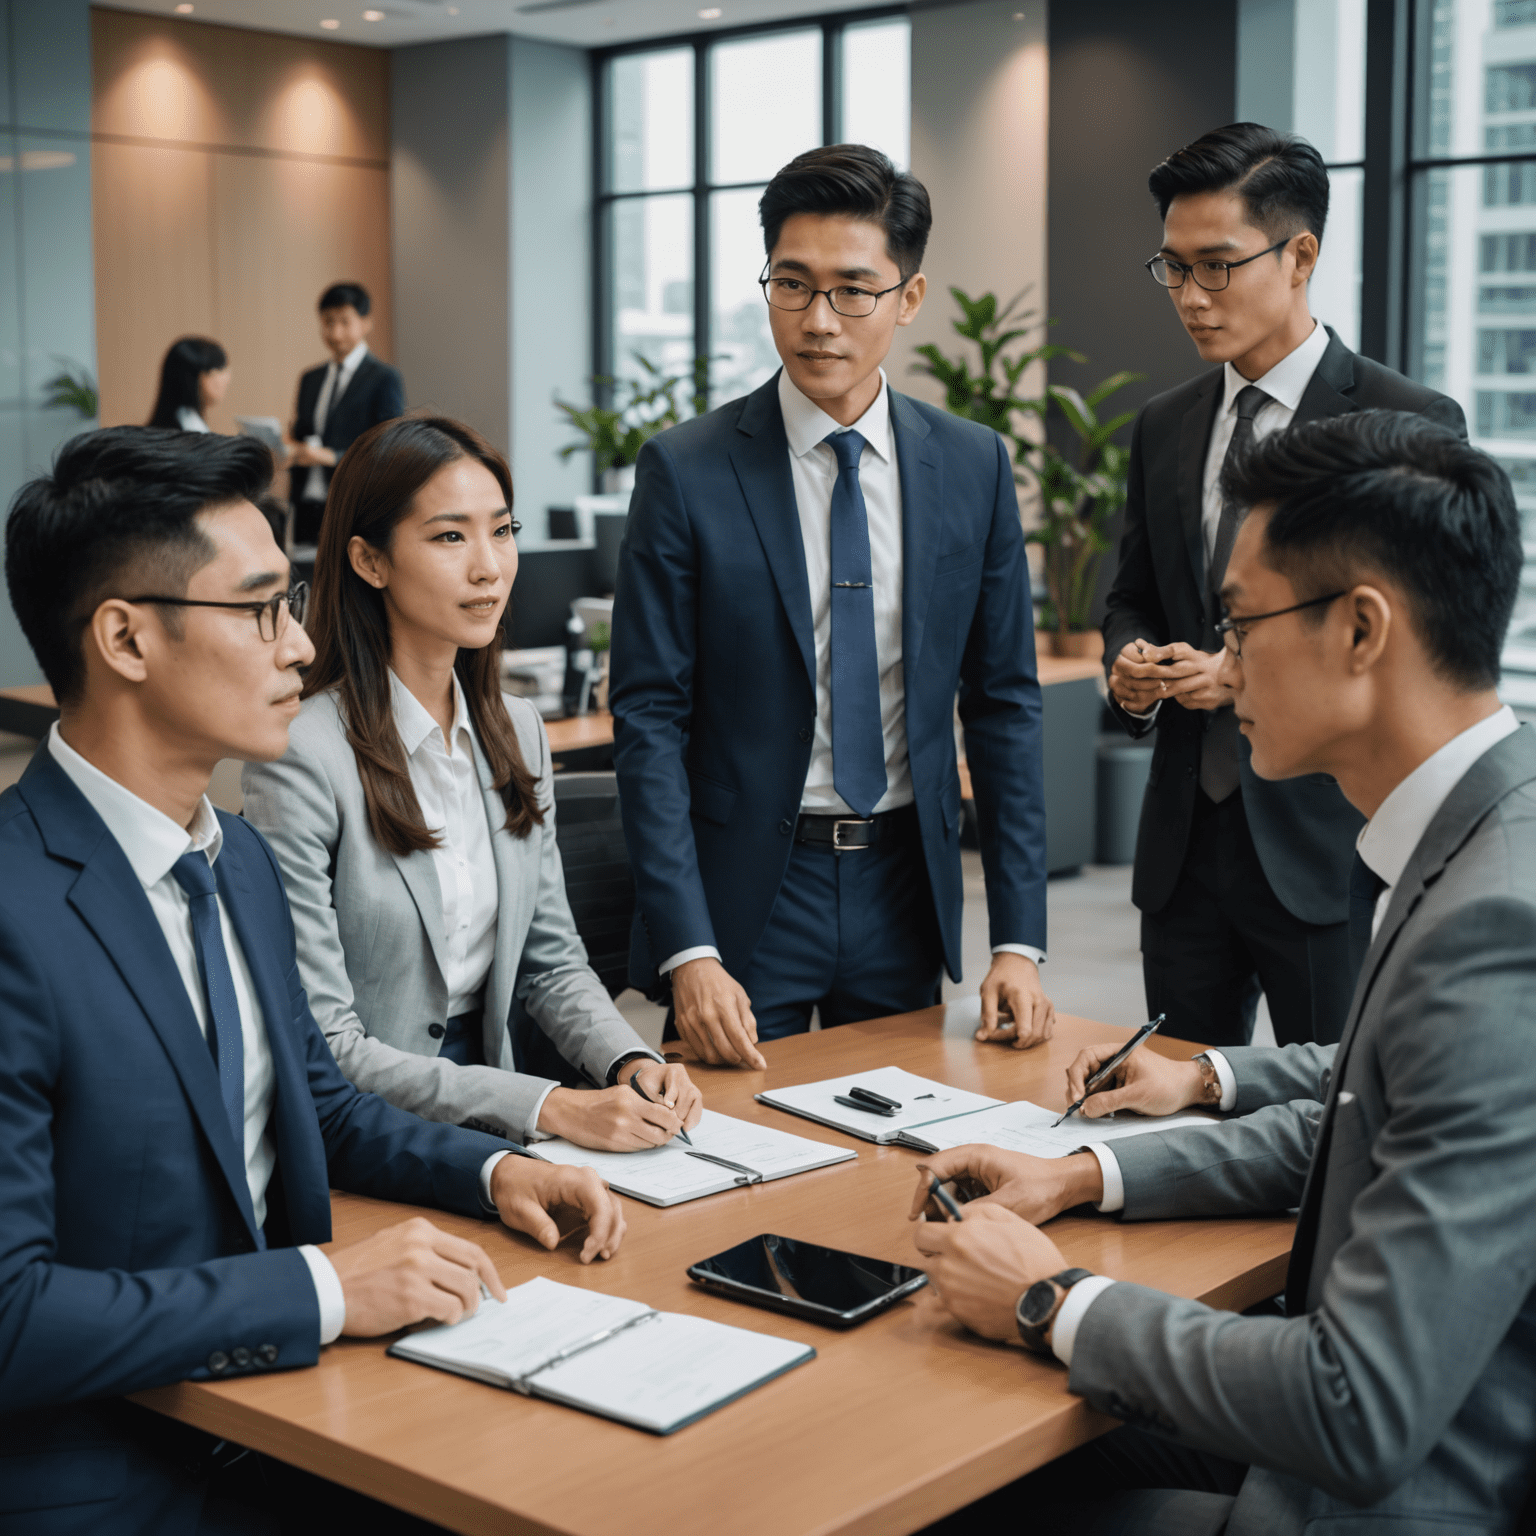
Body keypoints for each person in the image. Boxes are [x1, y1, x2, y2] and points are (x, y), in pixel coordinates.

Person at [910, 411, 1536, 1535]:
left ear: (1361, 630)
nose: (1221, 663)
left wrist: (1049, 1298)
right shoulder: (1486, 830)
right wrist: (1082, 1173)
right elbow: (1358, 1115)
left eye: (1242, 623)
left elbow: (1356, 1407)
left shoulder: (1495, 930)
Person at [0, 426, 625, 1534]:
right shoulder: (13, 908)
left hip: (301, 1415)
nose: (298, 648)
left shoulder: (229, 859)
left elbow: (318, 1105)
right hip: (109, 1468)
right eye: (259, 612)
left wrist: (495, 1174)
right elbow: (13, 1315)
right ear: (125, 639)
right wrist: (327, 1291)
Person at [610, 143, 1053, 1068]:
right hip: (746, 898)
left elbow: (1004, 705)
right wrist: (687, 950)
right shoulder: (686, 470)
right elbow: (649, 717)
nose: (819, 321)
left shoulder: (972, 465)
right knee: (727, 1169)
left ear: (909, 298)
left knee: (893, 1163)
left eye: (854, 290)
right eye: (792, 285)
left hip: (903, 882)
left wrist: (1019, 939)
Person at [1102, 123, 1466, 1049]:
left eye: (1216, 266)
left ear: (1300, 254)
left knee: (1328, 1127)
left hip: (1328, 850)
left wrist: (1245, 672)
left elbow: (1426, 646)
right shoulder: (1165, 424)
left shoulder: (1407, 421)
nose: (1189, 296)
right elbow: (1131, 594)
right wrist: (1129, 666)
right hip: (1184, 854)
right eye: (1173, 268)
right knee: (1170, 1109)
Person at [243, 414, 702, 1149]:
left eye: (502, 530)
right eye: (450, 536)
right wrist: (549, 1106)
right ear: (369, 560)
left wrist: (630, 1060)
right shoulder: (302, 753)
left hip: (498, 1102)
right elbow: (326, 1041)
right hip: (367, 1127)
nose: (489, 566)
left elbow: (551, 963)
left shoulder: (514, 730)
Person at [288, 281, 405, 545]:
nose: (335, 332)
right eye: (328, 322)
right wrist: (287, 443)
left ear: (366, 323)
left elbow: (388, 444)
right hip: (307, 501)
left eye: (344, 321)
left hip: (353, 500)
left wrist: (333, 456)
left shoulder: (384, 377)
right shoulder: (310, 378)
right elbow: (302, 431)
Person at [148, 335, 230, 432]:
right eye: (219, 370)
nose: (227, 377)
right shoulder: (192, 432)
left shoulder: (165, 427)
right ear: (202, 377)